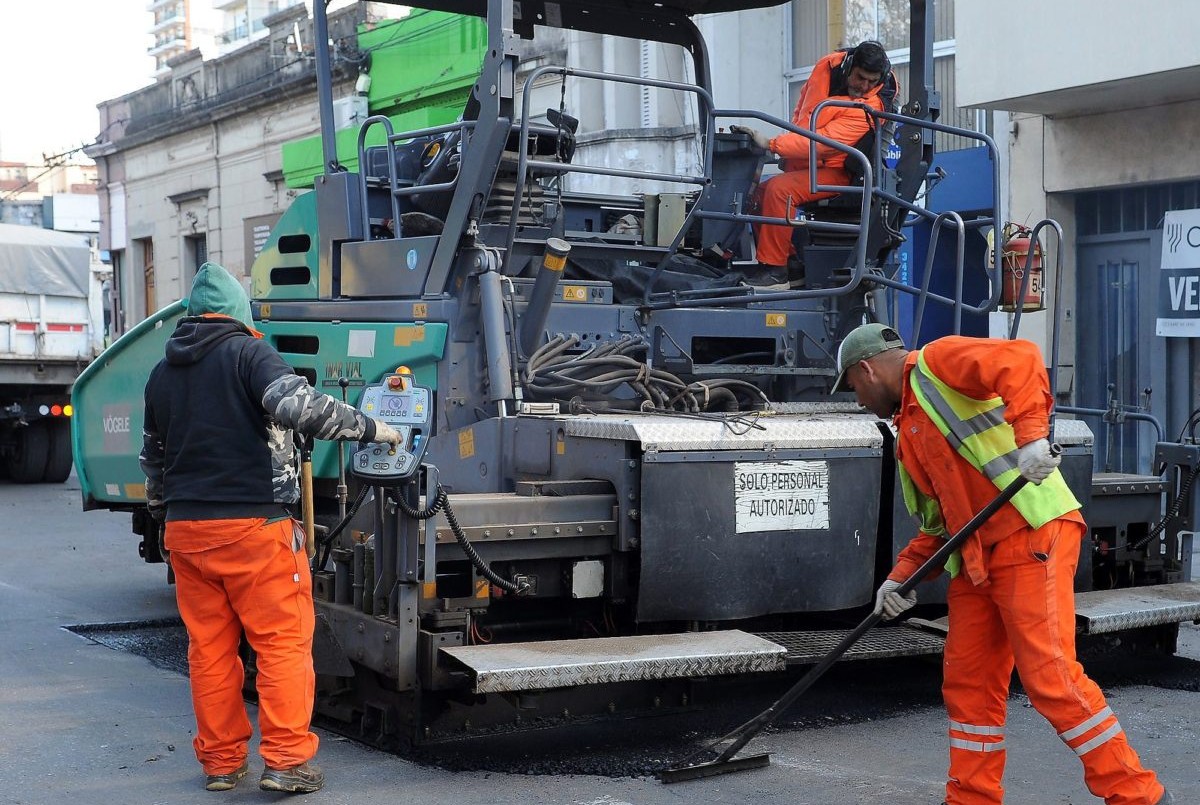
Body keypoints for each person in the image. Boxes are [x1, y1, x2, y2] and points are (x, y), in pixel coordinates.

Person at [831, 323, 1171, 805]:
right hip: (977, 558)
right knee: (968, 681)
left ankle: (1138, 796)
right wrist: (899, 580)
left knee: (1050, 677)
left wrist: (1033, 437)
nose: (858, 399)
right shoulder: (907, 433)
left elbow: (1022, 358)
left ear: (866, 369)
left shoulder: (935, 363)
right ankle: (971, 798)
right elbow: (938, 527)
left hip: (1029, 532)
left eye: (853, 387)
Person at [140, 262, 402, 794]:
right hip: (253, 527)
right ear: (240, 314)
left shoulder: (162, 374)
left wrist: (168, 519)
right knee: (281, 643)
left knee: (209, 651)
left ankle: (221, 764)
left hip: (187, 532)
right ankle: (285, 761)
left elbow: (153, 461)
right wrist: (374, 427)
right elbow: (296, 405)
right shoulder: (247, 353)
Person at [732, 40, 894, 289]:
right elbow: (805, 116)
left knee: (779, 191)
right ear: (849, 66)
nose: (864, 87)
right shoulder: (827, 68)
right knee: (760, 193)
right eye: (860, 78)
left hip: (842, 172)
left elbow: (824, 142)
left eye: (871, 82)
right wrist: (789, 156)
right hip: (815, 163)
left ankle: (776, 272)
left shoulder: (870, 108)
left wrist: (772, 144)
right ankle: (790, 263)